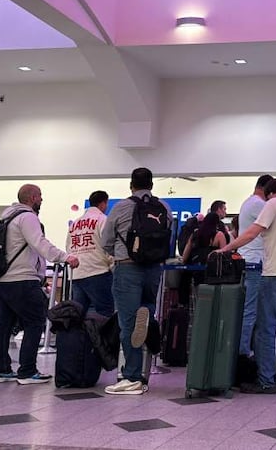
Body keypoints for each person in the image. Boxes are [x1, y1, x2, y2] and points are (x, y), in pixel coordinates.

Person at [216, 177, 276, 394]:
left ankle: (266, 381)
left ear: (271, 193)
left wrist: (226, 249)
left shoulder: (273, 204)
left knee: (266, 329)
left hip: (275, 273)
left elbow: (251, 233)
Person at [0, 184, 79, 385]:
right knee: (35, 321)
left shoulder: (7, 217)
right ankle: (27, 370)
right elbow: (40, 243)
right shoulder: (28, 217)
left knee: (3, 324)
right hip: (22, 279)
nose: (42, 199)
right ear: (32, 197)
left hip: (2, 279)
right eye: (40, 196)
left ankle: (1, 369)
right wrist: (65, 257)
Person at [101, 167, 172, 396]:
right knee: (146, 308)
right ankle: (147, 313)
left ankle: (131, 377)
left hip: (128, 268)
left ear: (131, 184)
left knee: (127, 324)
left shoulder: (122, 207)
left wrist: (119, 254)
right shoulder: (164, 208)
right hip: (153, 270)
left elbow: (106, 242)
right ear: (152, 185)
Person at [237, 174, 273, 356]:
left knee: (249, 311)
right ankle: (244, 352)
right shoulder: (260, 205)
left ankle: (246, 350)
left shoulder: (247, 203)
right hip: (255, 263)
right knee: (251, 312)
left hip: (248, 261)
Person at [67, 190, 114, 317]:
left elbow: (69, 248)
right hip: (98, 272)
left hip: (77, 273)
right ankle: (100, 338)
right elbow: (108, 246)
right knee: (105, 313)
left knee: (77, 316)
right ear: (103, 204)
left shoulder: (75, 223)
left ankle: (78, 338)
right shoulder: (102, 220)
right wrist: (114, 268)